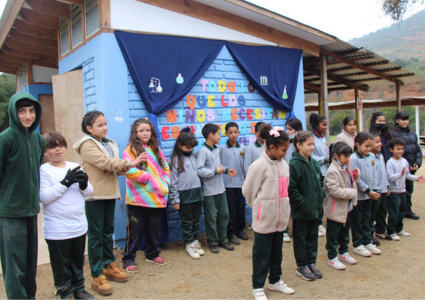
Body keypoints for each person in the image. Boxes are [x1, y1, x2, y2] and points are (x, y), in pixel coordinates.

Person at [74, 111, 144, 296]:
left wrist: (128, 167)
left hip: (109, 194)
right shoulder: (87, 144)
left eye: (105, 124)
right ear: (89, 128)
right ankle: (96, 274)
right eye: (99, 125)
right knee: (96, 235)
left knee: (107, 232)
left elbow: (115, 168)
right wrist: (131, 162)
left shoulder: (107, 143)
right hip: (95, 195)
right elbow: (105, 163)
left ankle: (107, 264)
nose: (104, 127)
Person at [0, 92, 45, 299]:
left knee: (29, 262)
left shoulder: (38, 140)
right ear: (13, 113)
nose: (28, 116)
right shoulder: (5, 139)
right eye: (22, 111)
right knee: (14, 265)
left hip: (31, 210)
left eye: (32, 111)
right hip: (10, 213)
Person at [40, 131, 94, 299]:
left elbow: (89, 192)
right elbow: (43, 197)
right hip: (57, 228)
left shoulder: (73, 166)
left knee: (77, 260)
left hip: (78, 225)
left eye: (61, 145)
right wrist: (65, 183)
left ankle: (79, 288)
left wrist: (84, 184)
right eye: (52, 146)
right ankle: (65, 291)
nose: (58, 150)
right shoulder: (44, 170)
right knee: (61, 264)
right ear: (45, 151)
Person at [243, 124, 294, 300]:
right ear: (271, 147)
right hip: (264, 219)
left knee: (276, 253)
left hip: (280, 221)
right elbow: (248, 192)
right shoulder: (258, 166)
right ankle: (258, 286)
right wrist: (259, 207)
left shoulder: (284, 165)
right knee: (261, 255)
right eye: (283, 150)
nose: (285, 154)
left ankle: (275, 281)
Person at [122, 118, 170, 271]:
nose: (145, 133)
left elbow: (165, 168)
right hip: (138, 198)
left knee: (154, 227)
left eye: (147, 130)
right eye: (141, 130)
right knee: (135, 228)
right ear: (135, 133)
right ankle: (129, 258)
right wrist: (149, 178)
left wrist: (164, 183)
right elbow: (129, 171)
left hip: (155, 197)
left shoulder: (156, 149)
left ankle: (152, 253)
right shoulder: (130, 151)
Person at [288, 131, 325, 281]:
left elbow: (320, 181)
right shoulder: (294, 164)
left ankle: (311, 262)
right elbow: (292, 189)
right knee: (301, 239)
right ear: (298, 145)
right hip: (302, 211)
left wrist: (321, 195)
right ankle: (301, 265)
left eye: (313, 144)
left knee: (312, 237)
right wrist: (302, 204)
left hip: (315, 209)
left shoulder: (314, 162)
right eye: (309, 144)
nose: (312, 147)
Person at [197, 123, 237, 253]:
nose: (220, 136)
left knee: (224, 215)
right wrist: (215, 172)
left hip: (221, 189)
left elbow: (218, 166)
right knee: (211, 218)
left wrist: (226, 170)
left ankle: (223, 240)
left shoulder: (215, 149)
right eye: (219, 134)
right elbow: (200, 171)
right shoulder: (202, 151)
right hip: (209, 192)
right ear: (211, 135)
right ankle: (213, 242)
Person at [169, 128, 205, 259]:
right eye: (187, 147)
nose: (190, 150)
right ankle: (189, 243)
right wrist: (175, 199)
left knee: (196, 219)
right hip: (184, 195)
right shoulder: (175, 160)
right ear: (180, 145)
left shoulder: (195, 158)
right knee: (187, 220)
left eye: (192, 148)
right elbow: (173, 181)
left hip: (197, 193)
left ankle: (195, 240)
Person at [324, 142, 360, 270]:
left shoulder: (346, 166)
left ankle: (343, 252)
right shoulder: (332, 171)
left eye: (349, 156)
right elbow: (335, 191)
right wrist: (352, 193)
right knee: (333, 234)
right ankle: (332, 257)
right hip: (335, 210)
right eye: (345, 156)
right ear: (336, 156)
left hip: (347, 208)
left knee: (345, 232)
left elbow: (350, 181)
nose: (348, 159)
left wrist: (356, 175)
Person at [349, 132, 381, 258]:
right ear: (357, 144)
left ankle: (367, 241)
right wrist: (368, 190)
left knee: (367, 219)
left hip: (370, 195)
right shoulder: (353, 159)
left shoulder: (371, 157)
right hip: (359, 196)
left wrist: (374, 189)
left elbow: (374, 174)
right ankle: (357, 244)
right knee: (357, 220)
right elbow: (356, 179)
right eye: (366, 146)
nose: (368, 149)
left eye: (370, 146)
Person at [386, 138, 425, 240]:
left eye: (402, 149)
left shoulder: (404, 161)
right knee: (394, 212)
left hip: (403, 190)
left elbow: (407, 175)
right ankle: (391, 231)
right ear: (391, 149)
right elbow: (389, 177)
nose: (400, 151)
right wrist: (400, 174)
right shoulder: (390, 162)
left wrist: (416, 178)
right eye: (397, 149)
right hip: (394, 191)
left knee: (403, 210)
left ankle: (399, 229)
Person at [219, 122, 248, 245]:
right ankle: (231, 233)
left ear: (239, 133)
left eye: (235, 132)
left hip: (241, 184)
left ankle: (240, 230)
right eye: (230, 132)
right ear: (226, 133)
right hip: (228, 185)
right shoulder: (221, 149)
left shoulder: (243, 149)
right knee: (230, 210)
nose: (233, 135)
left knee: (240, 208)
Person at [391, 111, 422, 220]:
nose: (405, 122)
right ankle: (398, 210)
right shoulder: (393, 134)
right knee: (398, 189)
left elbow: (417, 150)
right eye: (403, 119)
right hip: (401, 167)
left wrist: (417, 163)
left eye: (406, 119)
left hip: (412, 166)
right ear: (397, 120)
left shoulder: (412, 134)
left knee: (409, 189)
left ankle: (407, 210)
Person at [283, 117, 303, 243]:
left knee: (297, 203)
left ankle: (298, 230)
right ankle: (284, 230)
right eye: (287, 129)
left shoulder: (300, 144)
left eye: (290, 129)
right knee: (285, 204)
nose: (287, 131)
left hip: (297, 177)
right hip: (286, 177)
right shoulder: (284, 143)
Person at [309, 113, 328, 237]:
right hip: (317, 172)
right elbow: (311, 156)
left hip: (325, 172)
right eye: (323, 125)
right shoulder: (312, 138)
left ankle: (320, 221)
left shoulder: (323, 138)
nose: (326, 127)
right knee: (316, 198)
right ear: (316, 125)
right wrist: (325, 159)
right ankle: (316, 223)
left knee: (322, 197)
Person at [370, 134, 391, 242]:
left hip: (383, 189)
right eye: (377, 142)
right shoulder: (370, 157)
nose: (380, 144)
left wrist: (387, 185)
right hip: (375, 190)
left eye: (380, 142)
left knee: (383, 211)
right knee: (373, 213)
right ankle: (370, 234)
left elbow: (384, 172)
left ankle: (380, 230)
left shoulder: (381, 156)